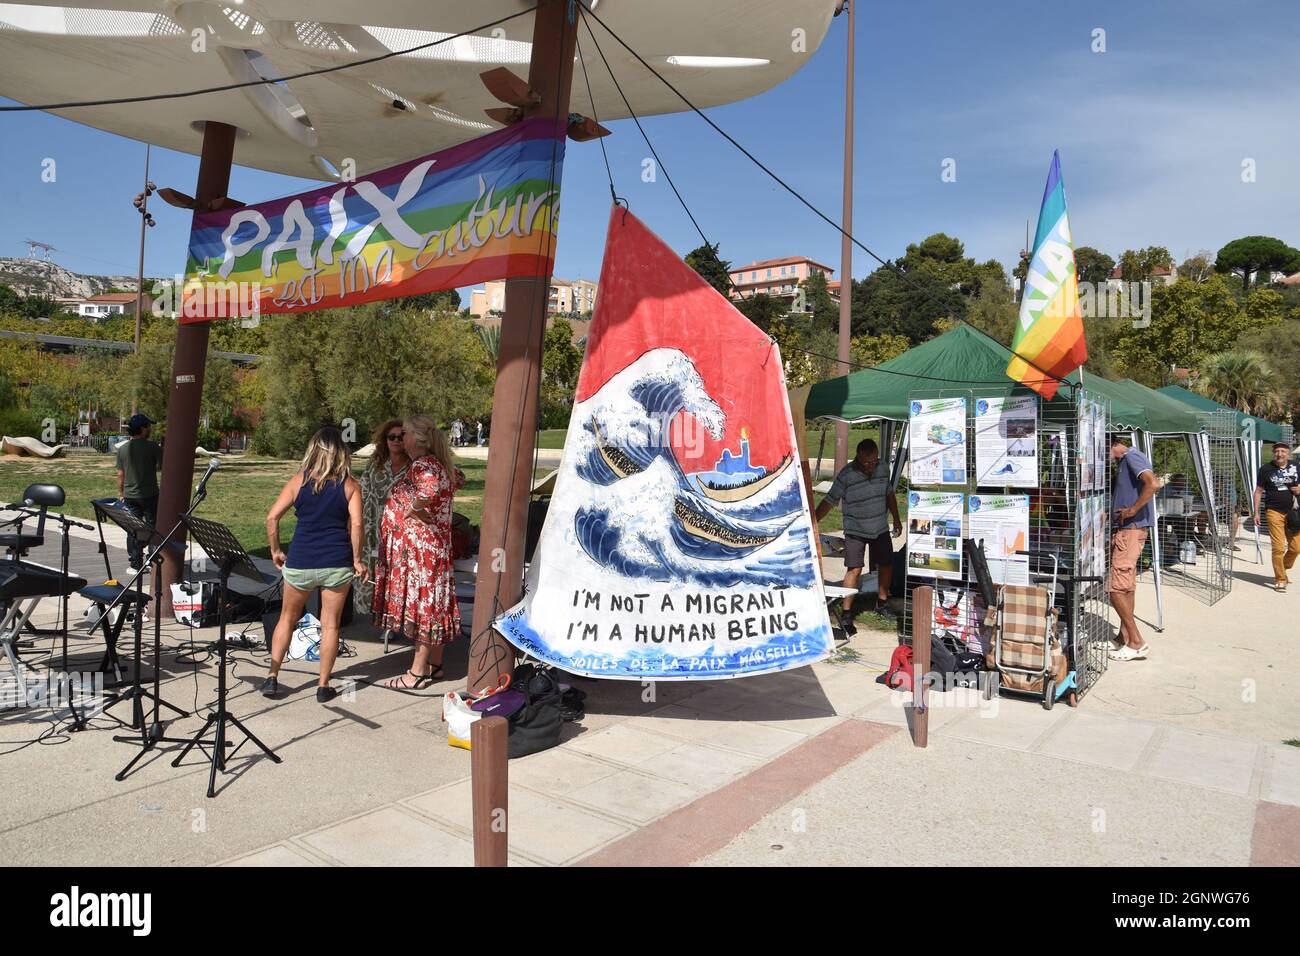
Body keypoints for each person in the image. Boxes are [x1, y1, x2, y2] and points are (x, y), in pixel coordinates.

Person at [263, 427, 365, 702]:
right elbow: (356, 524)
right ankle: (323, 685)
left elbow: (272, 518)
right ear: (341, 454)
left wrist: (275, 550)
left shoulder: (299, 481)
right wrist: (357, 559)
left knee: (287, 618)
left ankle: (272, 676)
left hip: (300, 561)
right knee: (330, 625)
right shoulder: (350, 484)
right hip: (337, 562)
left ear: (313, 450)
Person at [373, 415, 464, 689]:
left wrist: (414, 508)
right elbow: (457, 478)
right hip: (432, 548)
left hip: (421, 552)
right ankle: (434, 665)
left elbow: (431, 488)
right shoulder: (437, 463)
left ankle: (417, 672)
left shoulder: (424, 464)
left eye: (405, 435)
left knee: (424, 606)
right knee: (433, 606)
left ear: (416, 438)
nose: (401, 439)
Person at [816, 438, 902, 633]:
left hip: (879, 527)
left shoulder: (882, 468)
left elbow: (889, 494)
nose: (871, 466)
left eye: (873, 461)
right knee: (854, 569)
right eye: (866, 463)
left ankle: (882, 602)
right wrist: (814, 520)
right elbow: (830, 500)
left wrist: (896, 519)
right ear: (858, 457)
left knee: (887, 563)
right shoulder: (846, 475)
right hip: (855, 529)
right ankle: (847, 614)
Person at [353, 419, 410, 618]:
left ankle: (394, 615)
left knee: (396, 572)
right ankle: (376, 612)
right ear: (384, 440)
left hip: (400, 528)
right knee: (372, 569)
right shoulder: (376, 463)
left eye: (401, 436)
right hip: (372, 525)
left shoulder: (415, 466)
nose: (396, 440)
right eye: (391, 437)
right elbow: (362, 492)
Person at [1108, 436, 1158, 661]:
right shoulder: (1126, 461)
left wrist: (1131, 511)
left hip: (1131, 530)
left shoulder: (1131, 457)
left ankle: (1137, 642)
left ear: (1112, 446)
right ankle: (1123, 637)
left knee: (1116, 589)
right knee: (1126, 586)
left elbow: (1153, 483)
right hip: (1129, 531)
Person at [115, 413, 162, 570]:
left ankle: (135, 562)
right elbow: (162, 466)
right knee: (152, 527)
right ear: (143, 429)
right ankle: (151, 559)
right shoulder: (153, 447)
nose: (150, 429)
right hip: (150, 495)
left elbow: (120, 475)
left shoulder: (122, 450)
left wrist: (121, 493)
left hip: (129, 496)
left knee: (132, 529)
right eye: (148, 426)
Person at [1253, 440, 1300, 592]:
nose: (1280, 454)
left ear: (1288, 453)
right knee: (1278, 548)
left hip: (1293, 512)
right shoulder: (1266, 469)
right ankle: (1280, 579)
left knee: (1296, 548)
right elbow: (1258, 491)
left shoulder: (1296, 466)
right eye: (1277, 451)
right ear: (1274, 453)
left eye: (1283, 451)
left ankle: (1282, 568)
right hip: (1273, 511)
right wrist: (1256, 512)